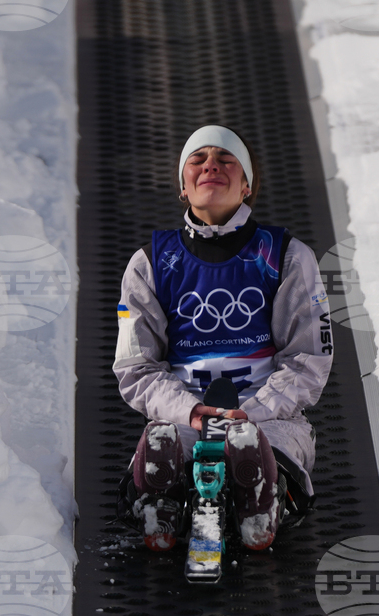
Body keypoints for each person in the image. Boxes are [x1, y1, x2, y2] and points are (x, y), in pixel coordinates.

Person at [113, 125, 332, 551]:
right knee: (162, 446)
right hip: (184, 415)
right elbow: (135, 366)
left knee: (264, 448)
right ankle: (161, 501)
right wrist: (190, 411)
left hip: (270, 416)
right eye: (198, 159)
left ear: (247, 184)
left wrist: (253, 412)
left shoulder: (286, 255)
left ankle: (264, 498)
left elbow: (308, 359)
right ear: (183, 186)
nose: (211, 164)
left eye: (226, 159)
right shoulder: (150, 264)